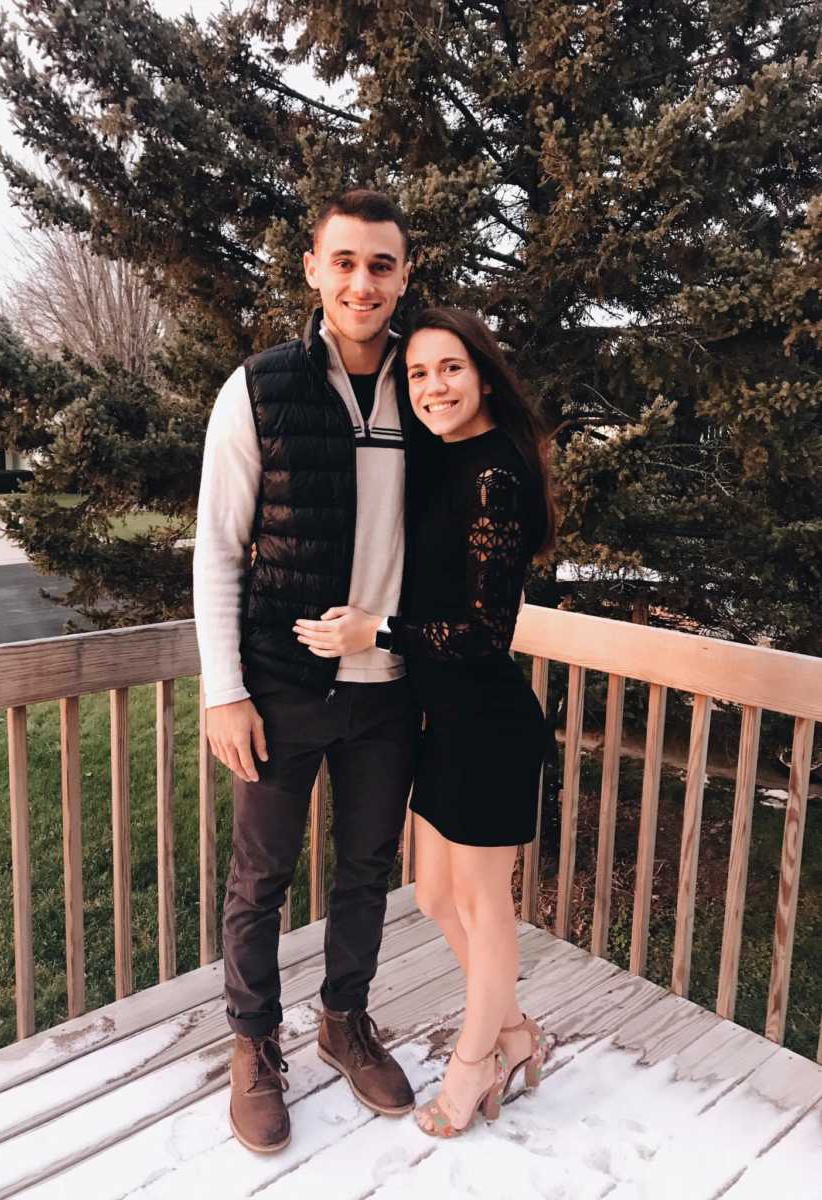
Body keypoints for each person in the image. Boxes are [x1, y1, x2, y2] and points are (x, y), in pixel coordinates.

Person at [193, 190, 423, 1155]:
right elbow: (216, 548)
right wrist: (224, 689)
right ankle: (254, 1043)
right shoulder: (260, 386)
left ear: (404, 276)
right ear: (313, 270)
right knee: (261, 877)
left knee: (368, 870)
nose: (362, 282)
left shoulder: (431, 387)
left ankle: (344, 1021)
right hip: (281, 688)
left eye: (382, 264)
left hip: (391, 689)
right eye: (345, 262)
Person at [295, 307, 557, 1139]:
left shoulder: (495, 475)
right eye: (418, 375)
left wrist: (375, 631)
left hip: (487, 725)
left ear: (483, 375)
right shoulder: (444, 462)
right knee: (439, 893)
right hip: (443, 720)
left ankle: (477, 1061)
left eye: (450, 369)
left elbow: (484, 631)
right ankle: (513, 1031)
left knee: (483, 905)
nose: (433, 387)